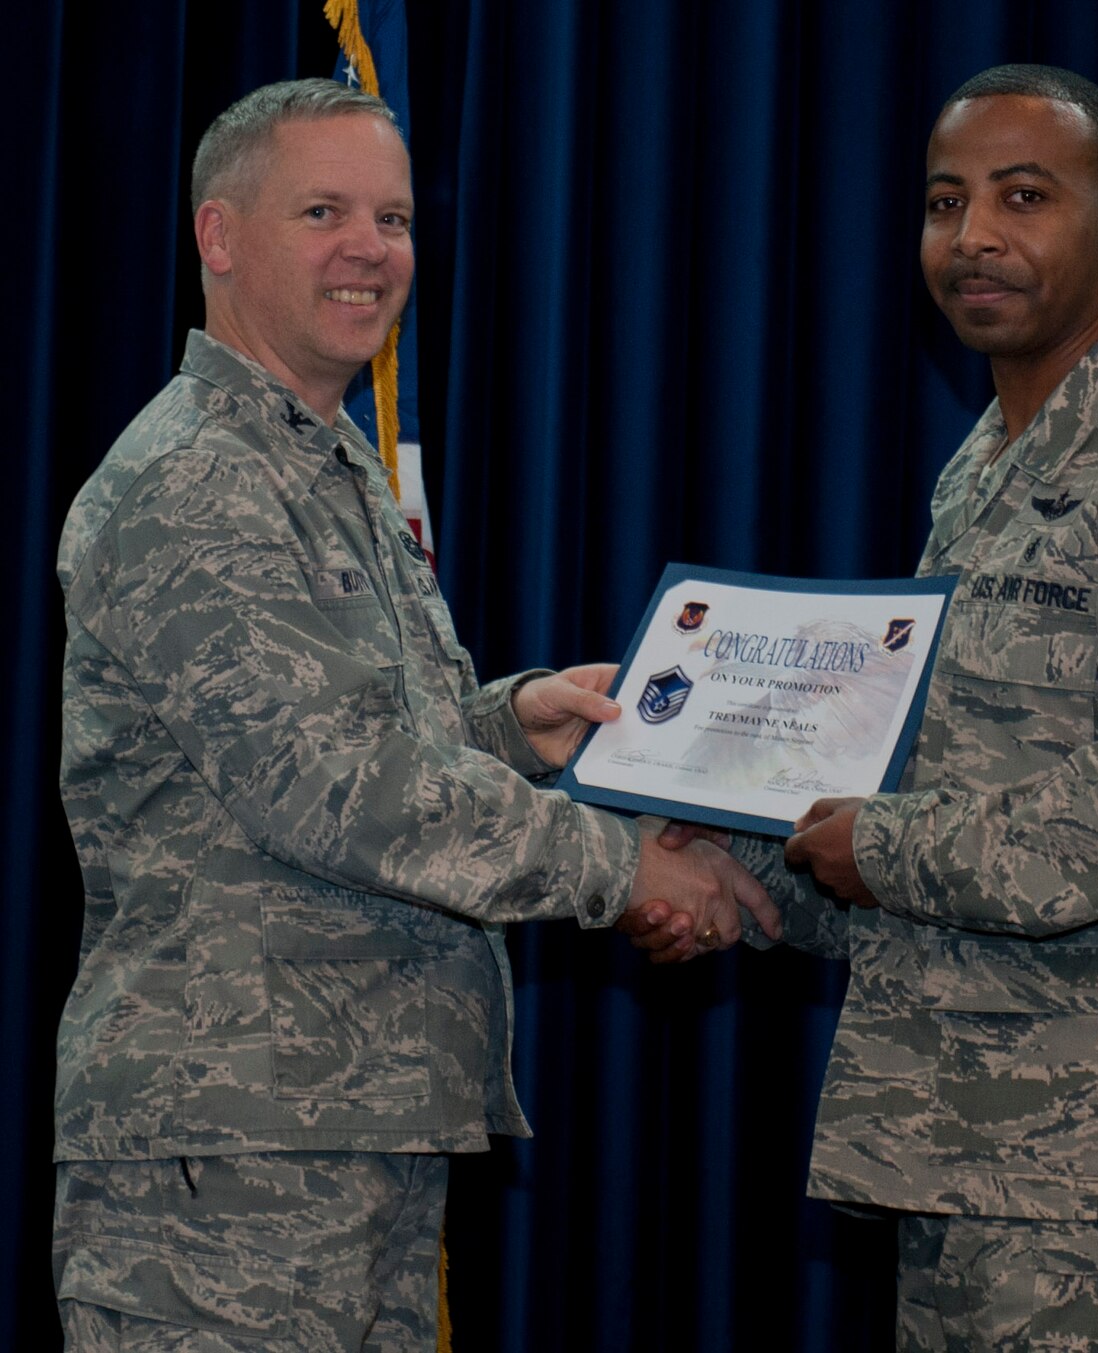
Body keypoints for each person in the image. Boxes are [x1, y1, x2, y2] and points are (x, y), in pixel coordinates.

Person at [49, 78, 777, 1349]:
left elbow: (377, 747)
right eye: (321, 210)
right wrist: (625, 865)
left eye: (390, 218)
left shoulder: (320, 466)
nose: (368, 250)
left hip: (355, 1122)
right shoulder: (194, 484)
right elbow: (336, 792)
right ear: (219, 238)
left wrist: (516, 722)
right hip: (233, 1153)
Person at [629, 62, 1098, 1347]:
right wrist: (746, 877)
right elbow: (947, 790)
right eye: (945, 203)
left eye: (1023, 197)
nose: (975, 239)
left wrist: (882, 849)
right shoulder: (985, 474)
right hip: (978, 1143)